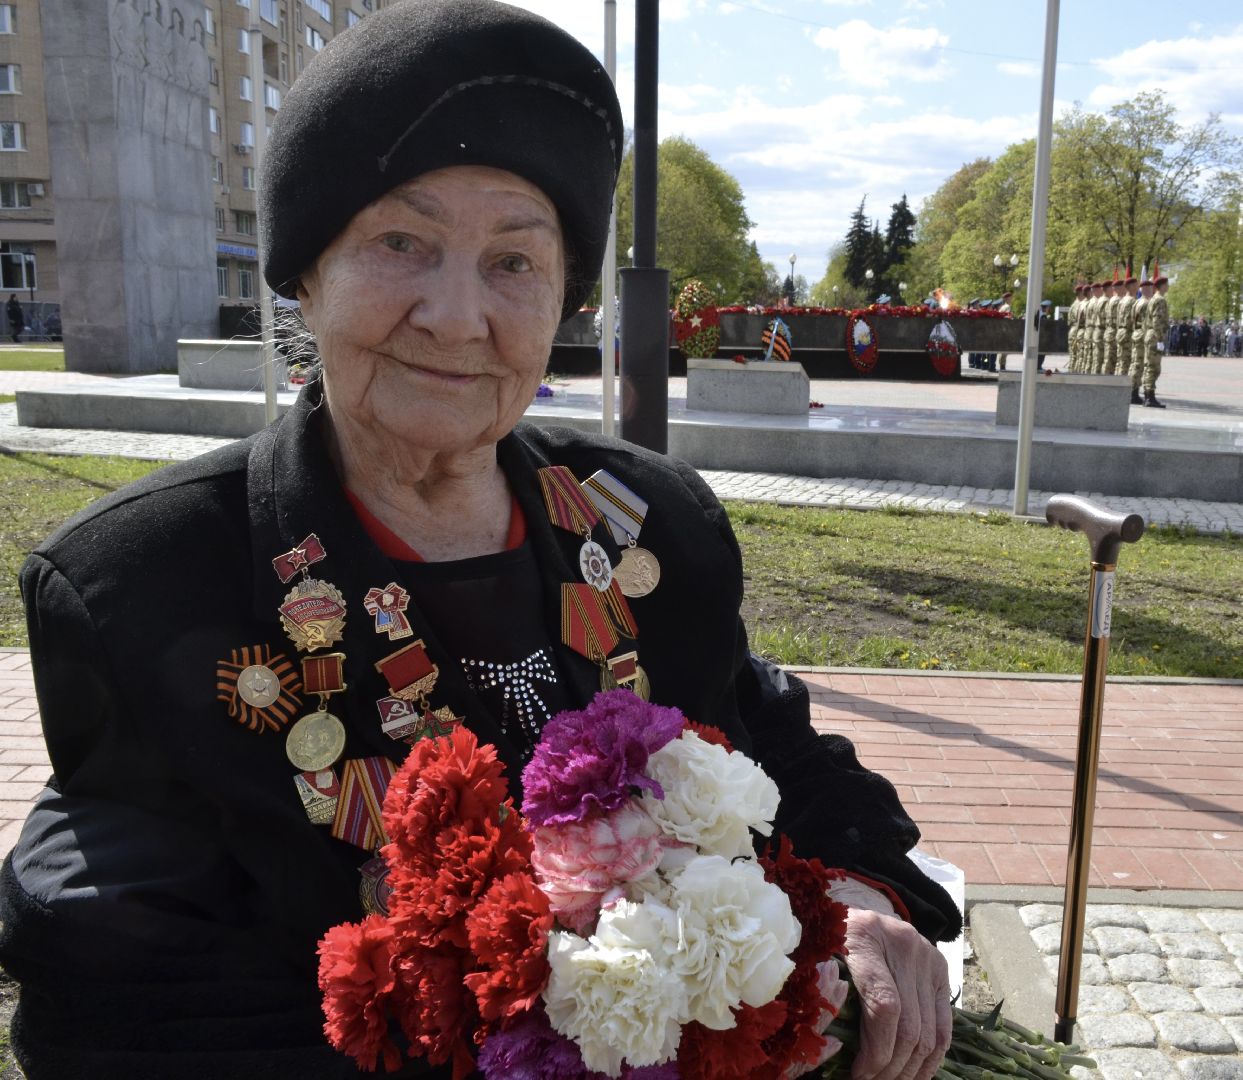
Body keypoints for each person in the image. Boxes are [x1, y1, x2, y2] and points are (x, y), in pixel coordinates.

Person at [0, 3, 960, 1078]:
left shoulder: (653, 521)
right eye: (400, 244)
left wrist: (850, 902)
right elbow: (124, 1002)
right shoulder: (139, 583)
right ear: (306, 275)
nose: (457, 317)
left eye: (513, 261)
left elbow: (763, 738)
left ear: (560, 300)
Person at [1143, 274, 1171, 407]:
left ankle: (1148, 395)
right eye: (1167, 284)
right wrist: (1160, 339)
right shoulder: (1160, 300)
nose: (1168, 286)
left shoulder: (1153, 298)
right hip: (1155, 336)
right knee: (1153, 368)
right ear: (1162, 286)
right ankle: (1149, 397)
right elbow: (1157, 321)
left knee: (1150, 366)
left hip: (1151, 334)